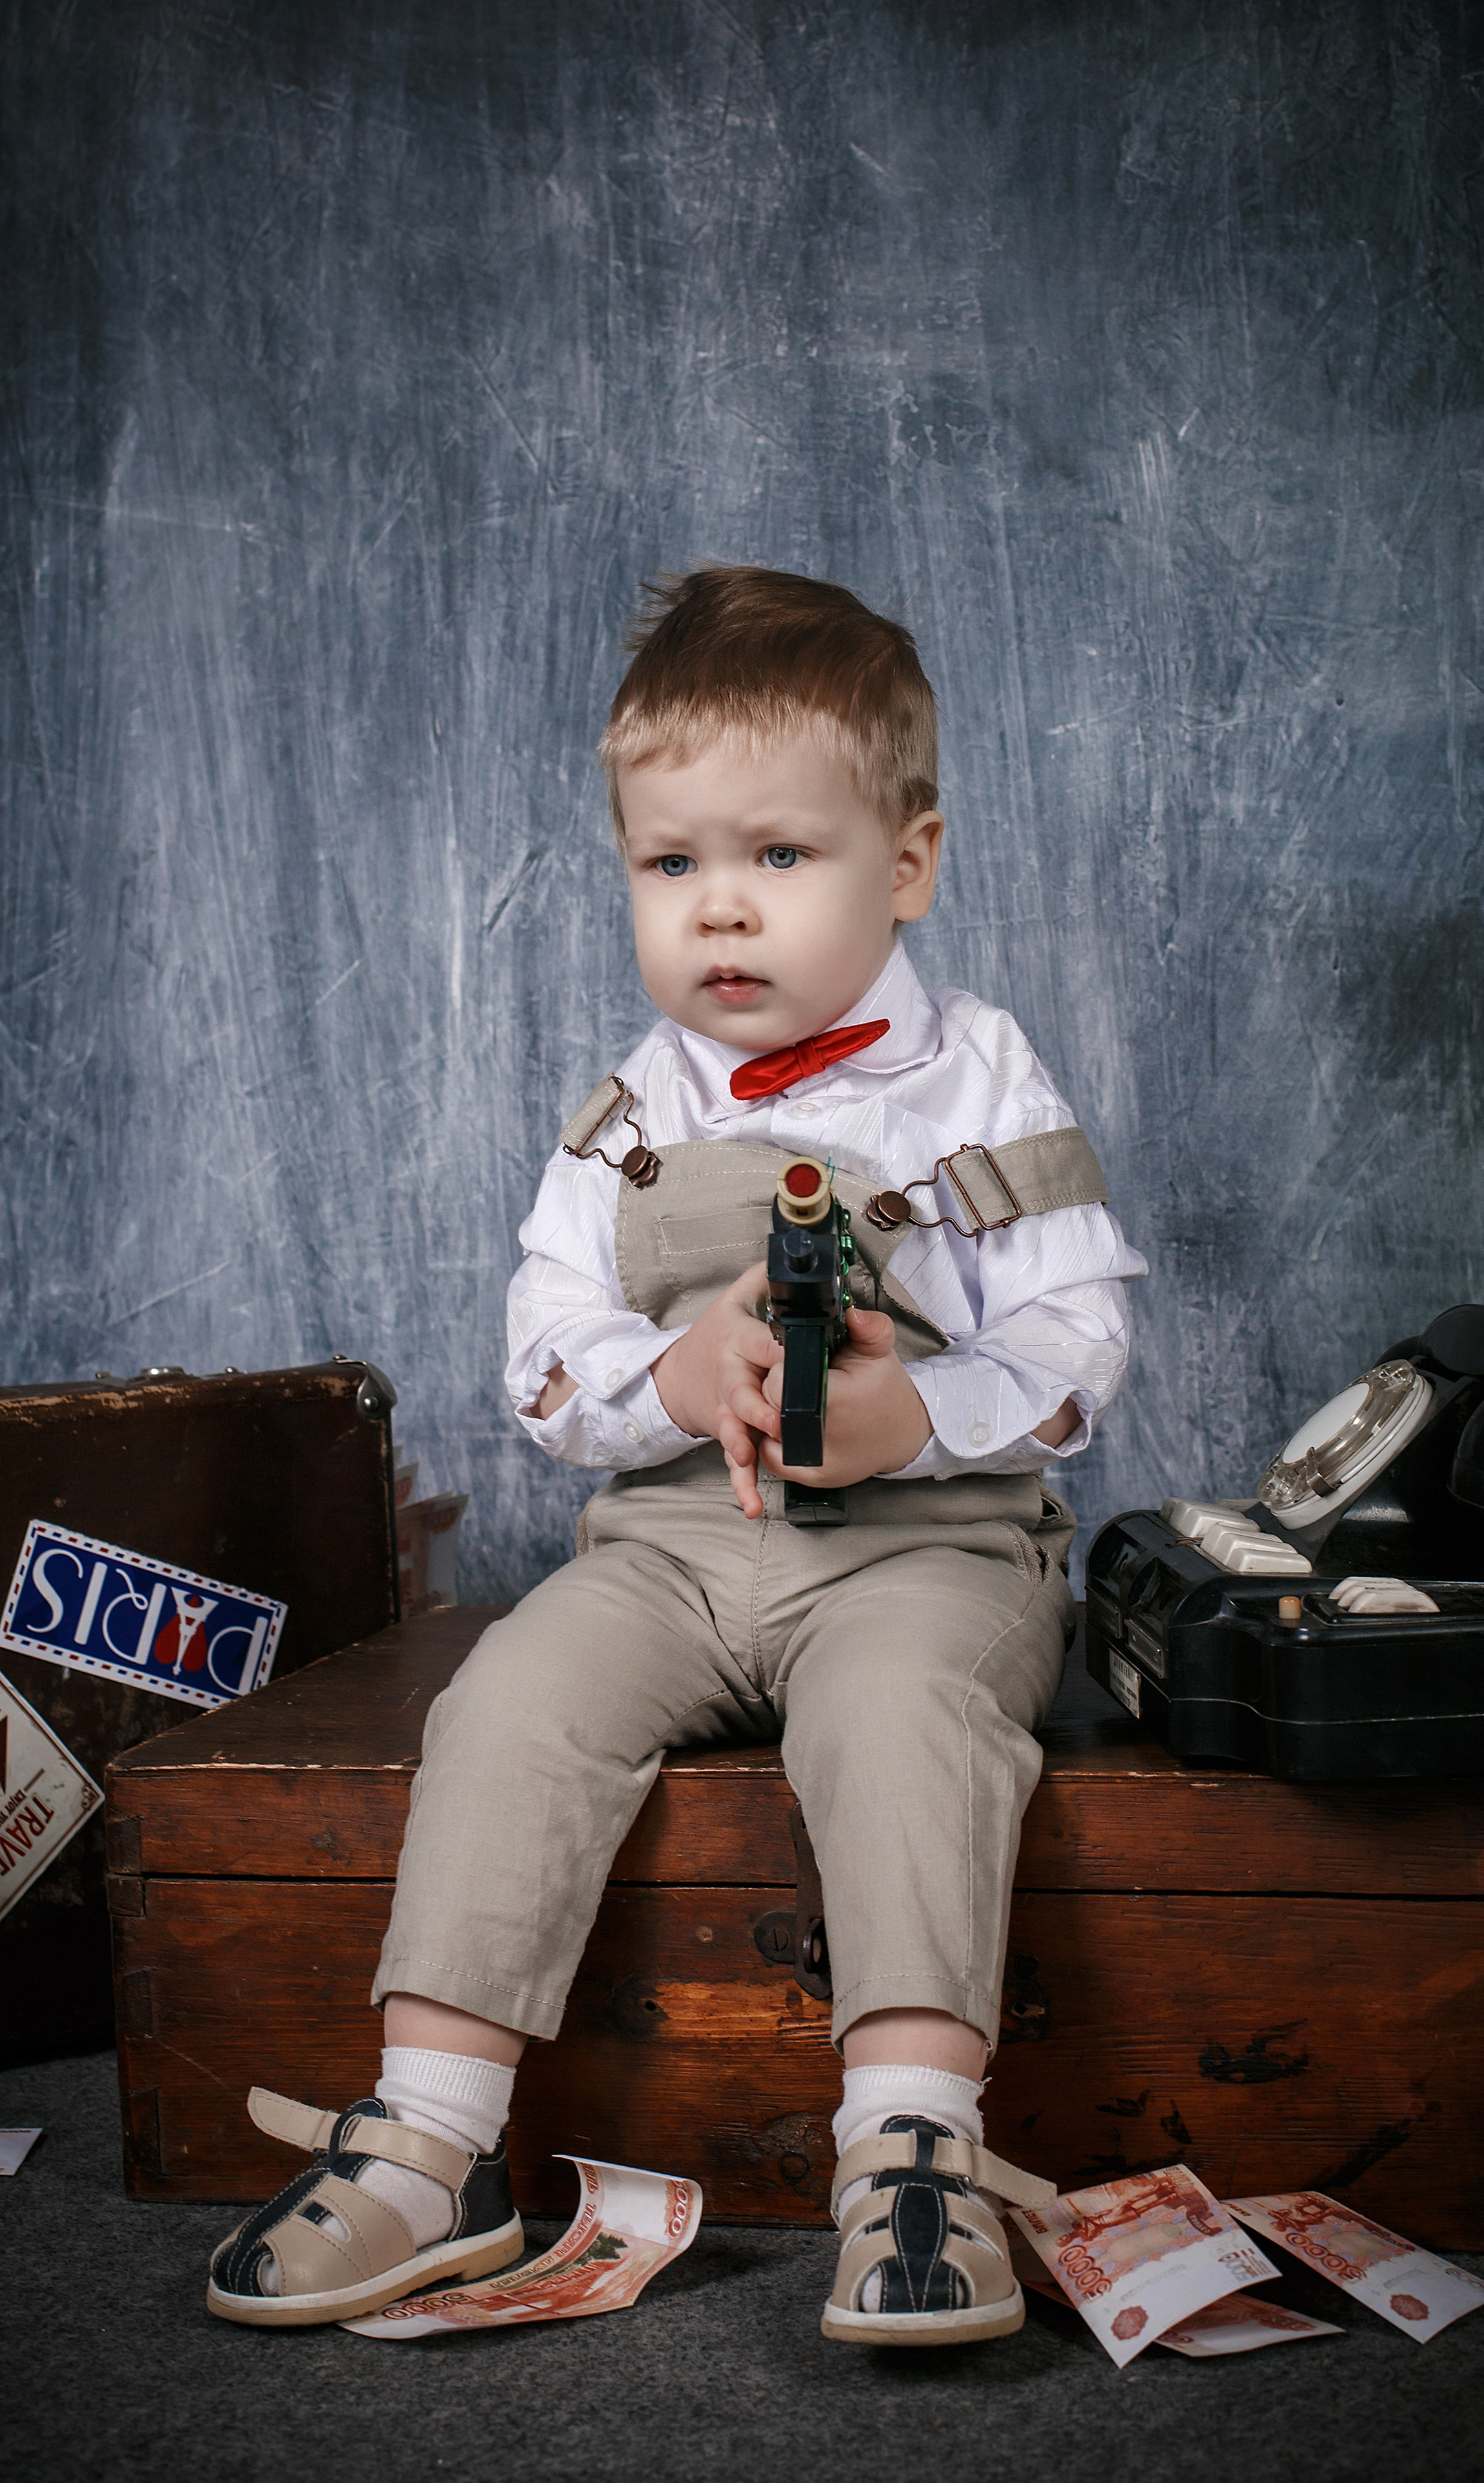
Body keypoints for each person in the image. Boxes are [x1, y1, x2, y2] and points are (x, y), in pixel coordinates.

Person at [206, 565, 1146, 2343]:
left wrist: (912, 1415)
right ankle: (433, 2140)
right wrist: (672, 1375)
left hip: (925, 1550)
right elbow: (546, 1372)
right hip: (671, 1546)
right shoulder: (625, 1118)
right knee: (510, 1702)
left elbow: (1085, 1343)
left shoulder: (983, 1080)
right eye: (673, 866)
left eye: (780, 859)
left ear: (910, 865)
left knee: (902, 1719)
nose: (722, 910)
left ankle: (911, 2149)